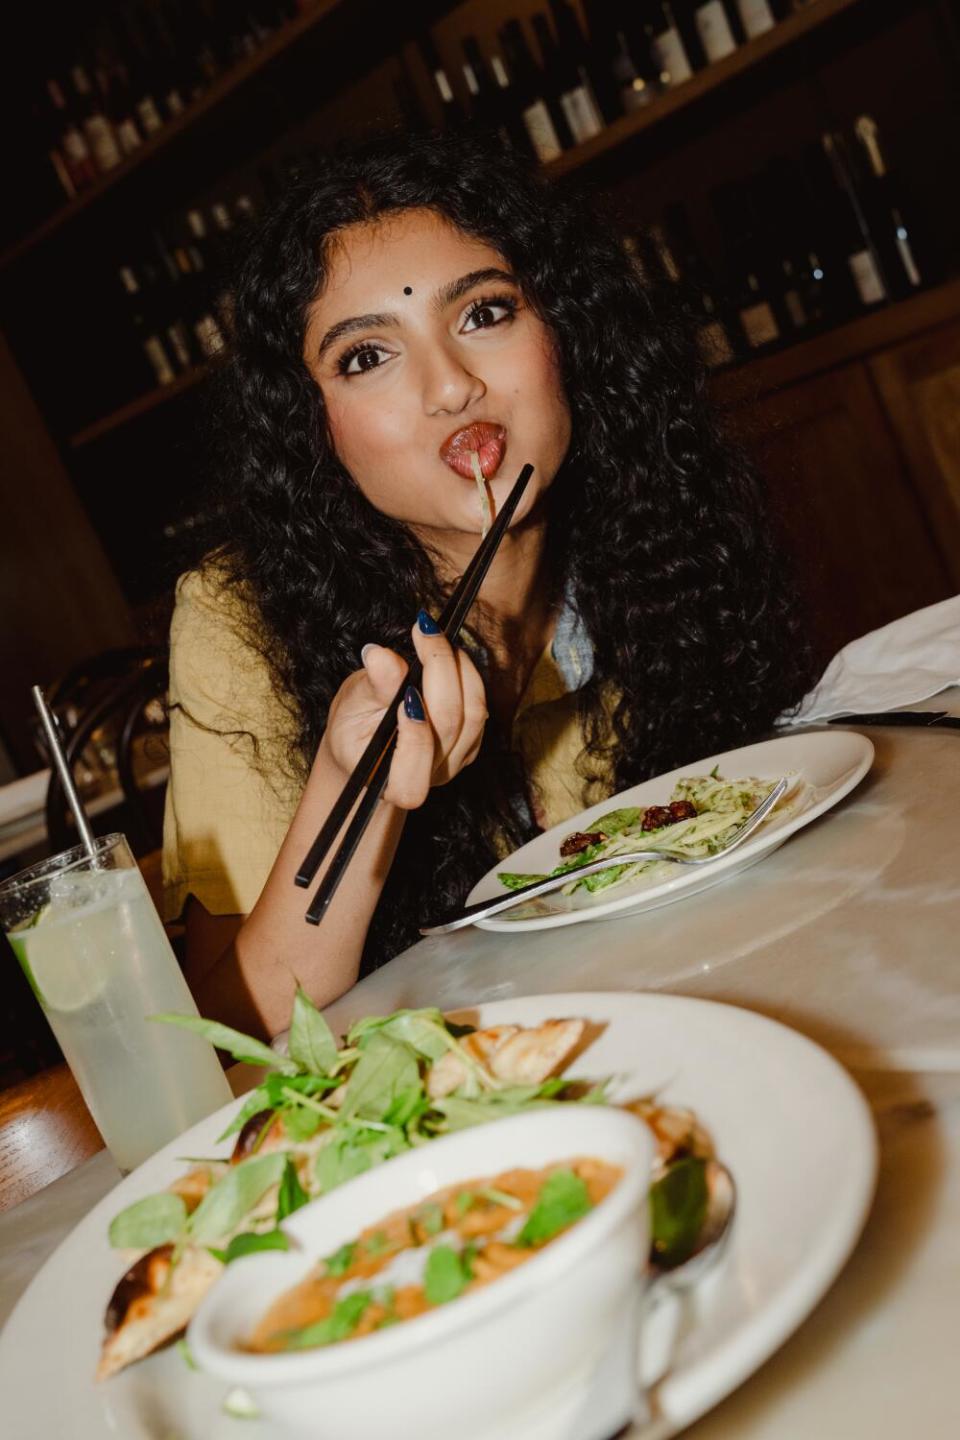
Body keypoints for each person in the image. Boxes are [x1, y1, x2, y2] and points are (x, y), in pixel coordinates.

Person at [162, 129, 811, 1039]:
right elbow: (232, 1040)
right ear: (317, 433)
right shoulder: (242, 616)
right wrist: (355, 786)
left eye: (484, 314)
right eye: (365, 357)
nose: (452, 387)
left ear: (566, 336)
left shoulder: (661, 534)